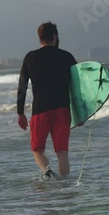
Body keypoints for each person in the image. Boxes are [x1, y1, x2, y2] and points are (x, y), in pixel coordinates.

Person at [17, 22, 78, 179]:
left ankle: (47, 172)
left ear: (39, 38)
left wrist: (20, 112)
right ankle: (64, 185)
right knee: (62, 152)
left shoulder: (30, 57)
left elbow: (22, 86)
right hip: (62, 110)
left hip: (40, 111)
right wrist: (81, 112)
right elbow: (78, 87)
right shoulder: (66, 56)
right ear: (55, 36)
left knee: (37, 149)